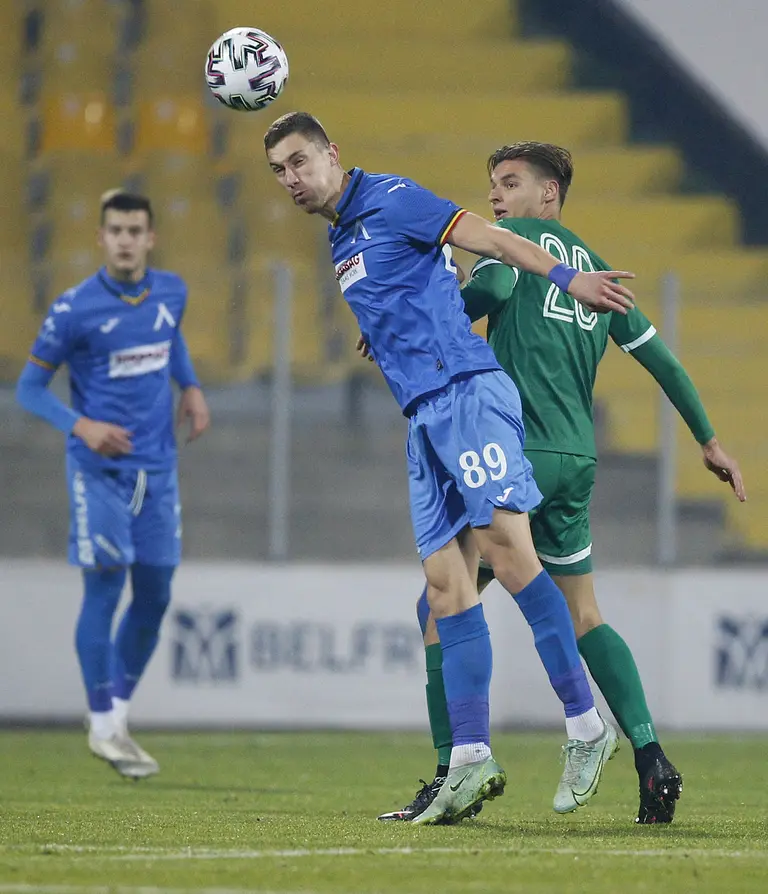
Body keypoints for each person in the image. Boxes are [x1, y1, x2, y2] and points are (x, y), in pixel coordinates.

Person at [264, 112, 636, 824]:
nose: (292, 179)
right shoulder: (342, 235)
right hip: (423, 417)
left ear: (332, 153)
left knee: (510, 554)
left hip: (467, 393)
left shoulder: (392, 196)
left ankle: (587, 723)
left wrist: (569, 279)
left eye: (300, 161)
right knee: (444, 589)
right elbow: (432, 280)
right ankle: (468, 758)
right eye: (280, 171)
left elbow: (489, 239)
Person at [372, 142, 745, 825]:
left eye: (509, 182)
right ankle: (651, 756)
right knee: (584, 615)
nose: (496, 196)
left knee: (440, 604)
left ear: (548, 194)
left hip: (513, 453)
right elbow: (662, 361)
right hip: (575, 459)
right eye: (492, 184)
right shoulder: (596, 273)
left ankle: (452, 770)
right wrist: (709, 440)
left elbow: (486, 293)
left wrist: (412, 319)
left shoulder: (514, 244)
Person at [16, 190, 210, 779]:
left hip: (158, 469)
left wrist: (191, 386)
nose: (125, 240)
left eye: (135, 230)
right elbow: (28, 388)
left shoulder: (171, 291)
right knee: (104, 586)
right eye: (116, 231)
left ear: (151, 238)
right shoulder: (73, 309)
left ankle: (116, 716)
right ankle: (102, 722)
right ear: (101, 238)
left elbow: (169, 338)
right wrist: (82, 425)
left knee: (155, 594)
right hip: (98, 472)